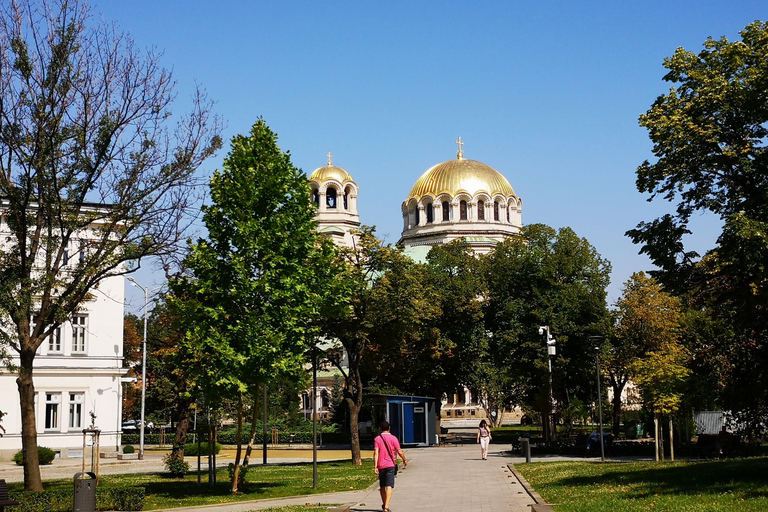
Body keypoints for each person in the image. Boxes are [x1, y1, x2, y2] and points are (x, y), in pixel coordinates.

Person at [374, 421, 408, 512]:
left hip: (381, 465)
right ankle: (386, 506)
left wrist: (375, 466)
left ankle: (384, 502)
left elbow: (376, 453)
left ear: (380, 429)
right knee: (389, 485)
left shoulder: (377, 439)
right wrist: (404, 459)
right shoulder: (394, 438)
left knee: (382, 485)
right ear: (389, 428)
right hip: (390, 465)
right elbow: (399, 451)